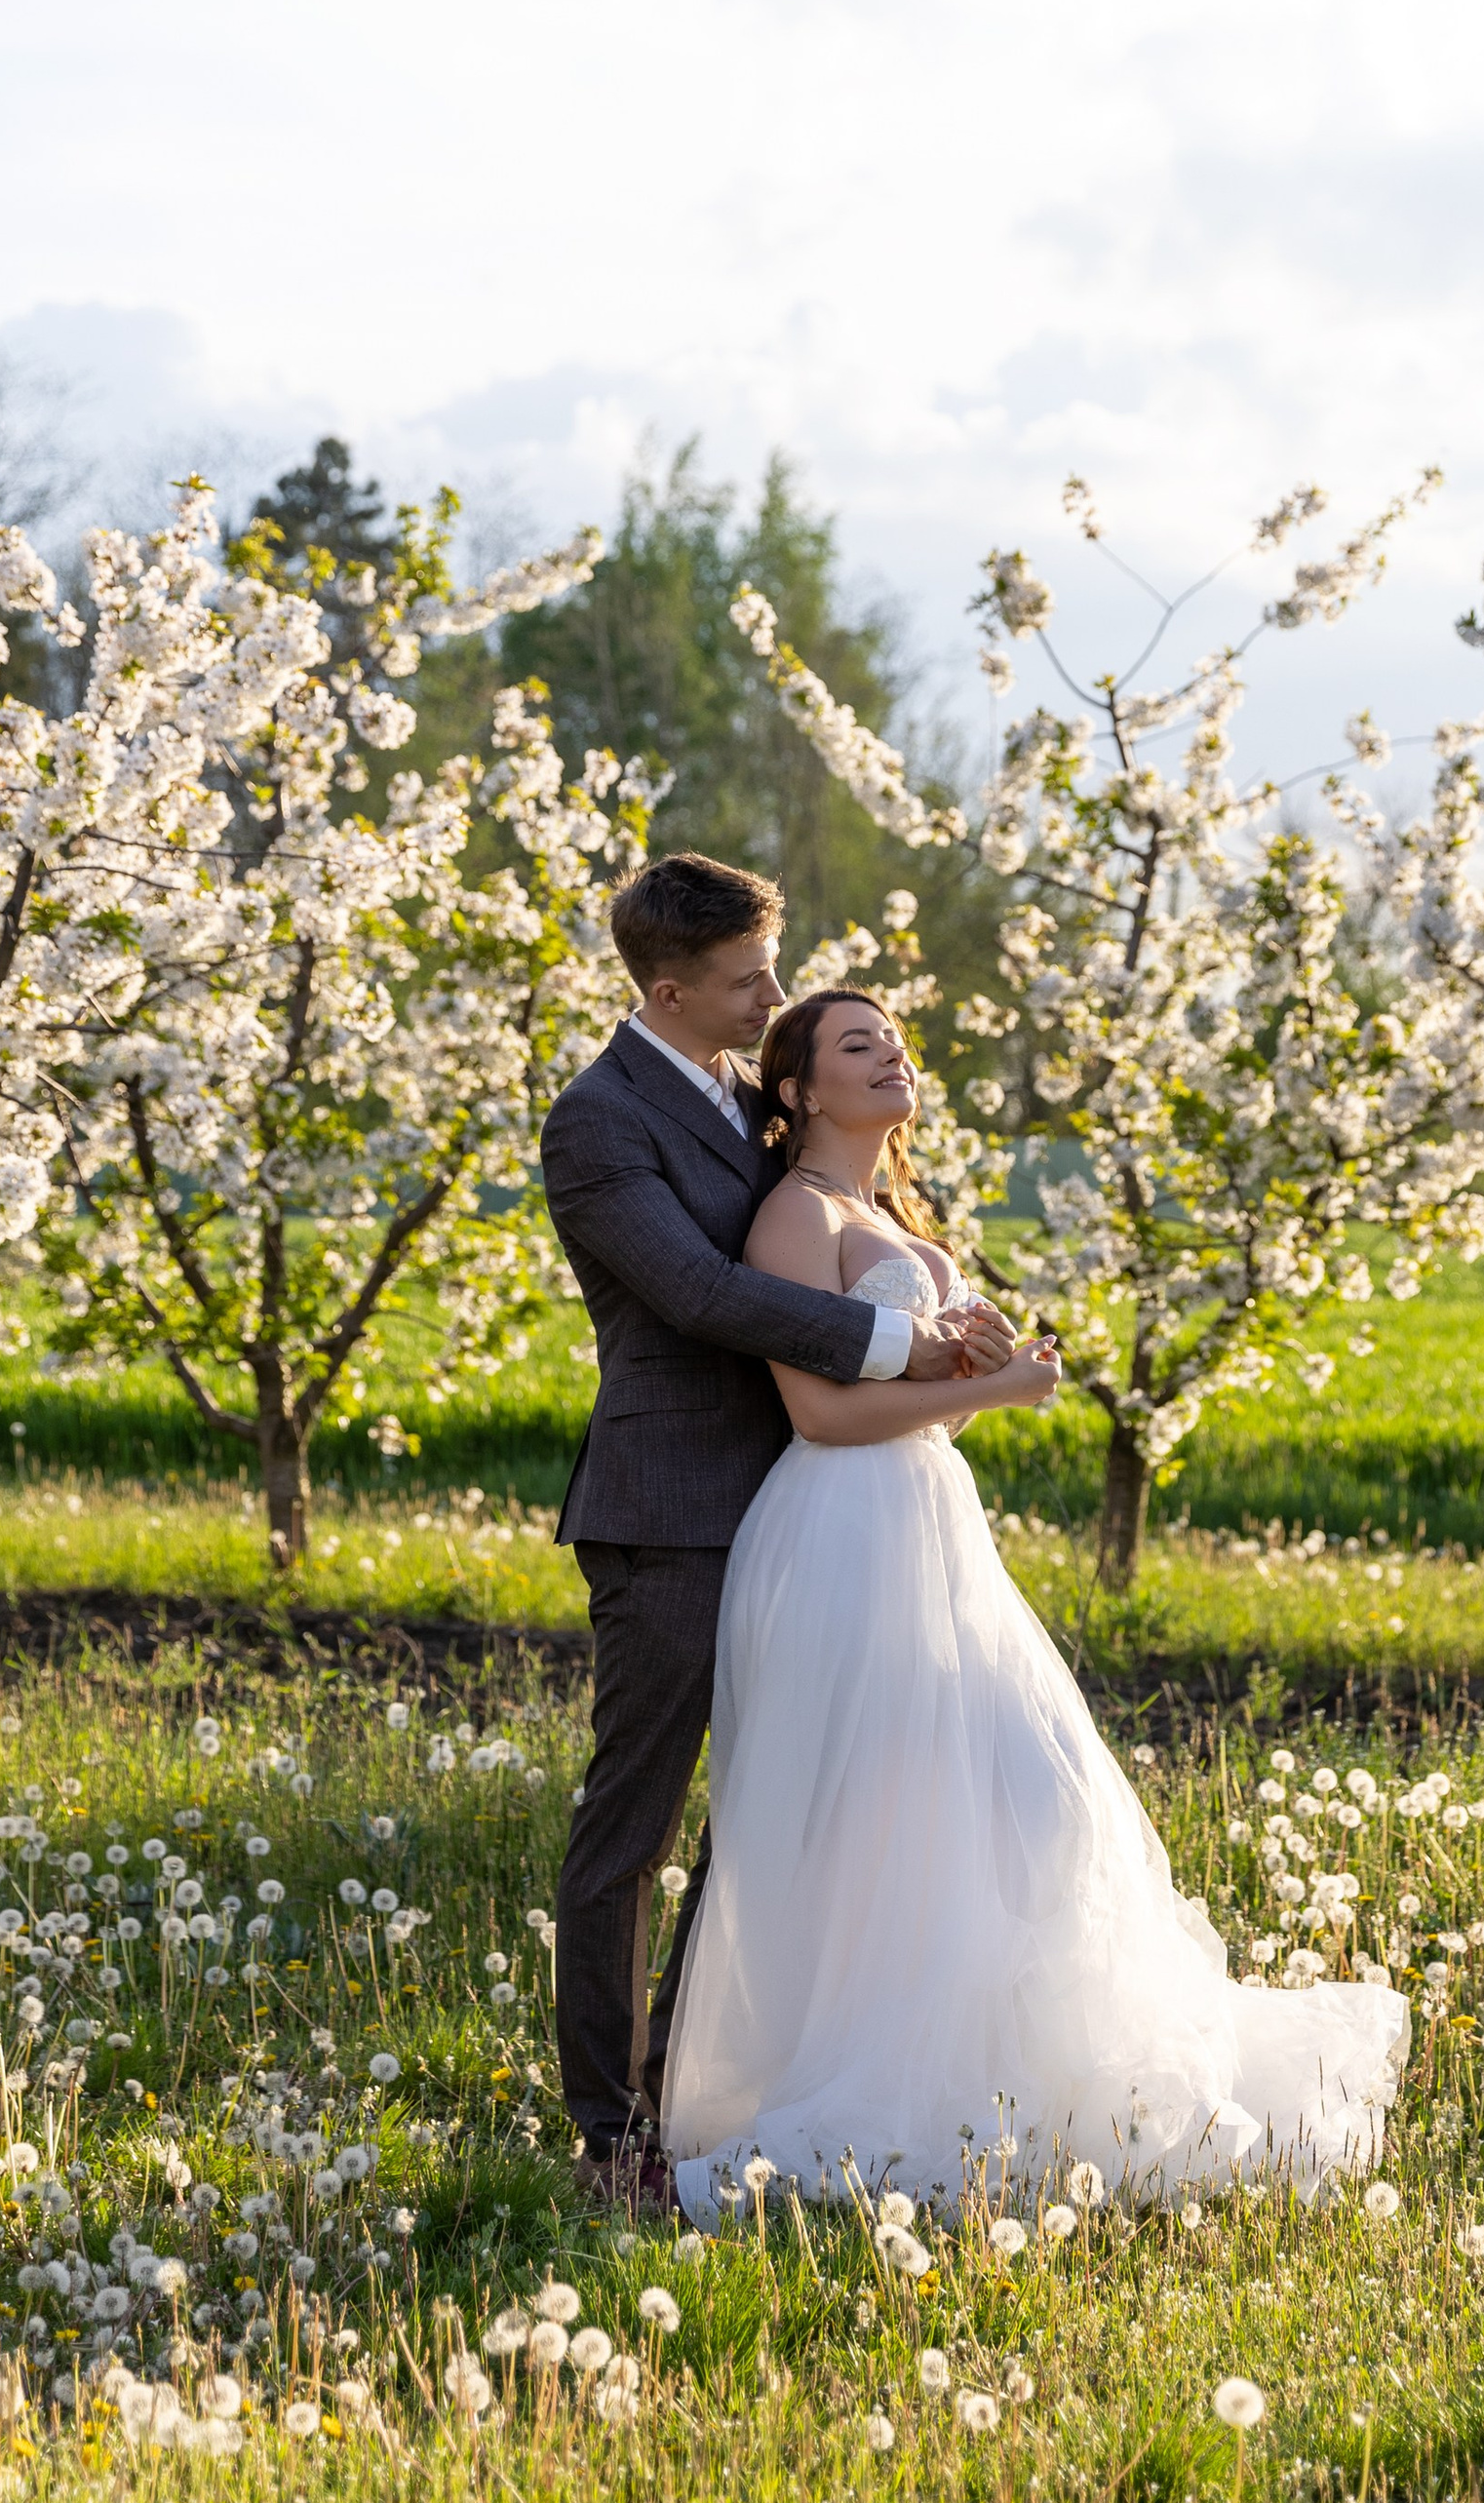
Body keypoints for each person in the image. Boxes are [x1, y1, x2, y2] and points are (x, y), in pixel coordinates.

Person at [655, 981, 1410, 2221]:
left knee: (1015, 1797)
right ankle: (880, 2086)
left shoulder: (887, 1209)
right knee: (891, 1810)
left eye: (895, 1039)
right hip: (842, 1533)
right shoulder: (795, 1216)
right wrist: (995, 1396)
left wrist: (978, 1375)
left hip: (928, 1524)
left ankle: (1017, 2070)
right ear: (796, 1092)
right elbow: (821, 1413)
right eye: (857, 1046)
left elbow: (918, 1404)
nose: (891, 1056)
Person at [540, 852, 1019, 2212]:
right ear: (675, 987)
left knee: (770, 1820)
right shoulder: (598, 1121)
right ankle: (609, 2128)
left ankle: (706, 2086)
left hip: (809, 1517)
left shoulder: (750, 1098)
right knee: (632, 1829)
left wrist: (946, 1332)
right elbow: (695, 1289)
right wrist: (903, 1344)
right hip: (675, 1512)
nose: (775, 993)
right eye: (752, 977)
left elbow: (834, 1194)